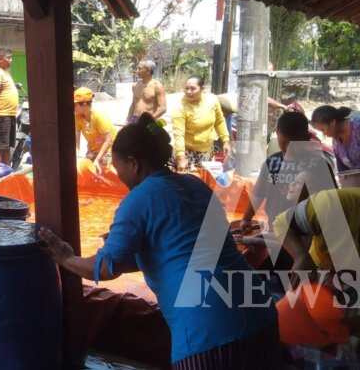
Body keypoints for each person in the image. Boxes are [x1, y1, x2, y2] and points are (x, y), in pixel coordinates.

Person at [39, 114, 281, 369]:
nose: (115, 171)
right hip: (259, 313)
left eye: (116, 163)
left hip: (208, 330)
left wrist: (65, 257)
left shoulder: (138, 200)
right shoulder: (195, 185)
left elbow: (105, 268)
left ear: (133, 163)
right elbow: (178, 251)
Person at [274, 170, 360, 365]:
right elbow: (282, 222)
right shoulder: (333, 205)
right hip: (319, 277)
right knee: (295, 331)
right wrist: (300, 255)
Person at [240, 111, 337, 230]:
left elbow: (333, 200)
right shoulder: (272, 162)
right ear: (277, 134)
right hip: (275, 227)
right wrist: (246, 219)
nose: (289, 148)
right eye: (284, 143)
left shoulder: (319, 165)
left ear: (306, 138)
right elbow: (258, 195)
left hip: (308, 231)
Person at [172, 76, 230, 171]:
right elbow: (179, 135)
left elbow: (219, 121)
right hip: (187, 153)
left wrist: (225, 140)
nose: (189, 92)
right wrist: (181, 157)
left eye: (193, 88)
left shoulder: (212, 100)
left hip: (207, 151)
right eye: (186, 88)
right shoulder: (180, 107)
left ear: (202, 89)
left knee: (207, 181)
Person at [311, 105, 360, 174]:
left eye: (323, 130)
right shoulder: (336, 143)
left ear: (333, 123)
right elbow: (343, 172)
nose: (324, 135)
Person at [74, 87, 117, 174]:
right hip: (93, 150)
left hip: (109, 151)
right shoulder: (78, 117)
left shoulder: (99, 117)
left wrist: (97, 160)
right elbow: (77, 135)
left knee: (101, 171)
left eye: (75, 104)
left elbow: (108, 140)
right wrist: (77, 154)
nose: (73, 107)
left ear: (85, 104)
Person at [0, 48, 19, 166]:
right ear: (0, 59)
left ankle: (6, 172)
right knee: (0, 146)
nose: (11, 60)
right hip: (2, 115)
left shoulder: (4, 72)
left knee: (7, 146)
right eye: (9, 58)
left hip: (9, 114)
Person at [127, 60, 166, 124]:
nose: (137, 71)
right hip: (135, 119)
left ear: (148, 71)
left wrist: (151, 119)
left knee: (155, 133)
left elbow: (163, 108)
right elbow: (133, 104)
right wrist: (128, 120)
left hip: (150, 121)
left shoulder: (157, 86)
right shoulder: (135, 86)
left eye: (139, 69)